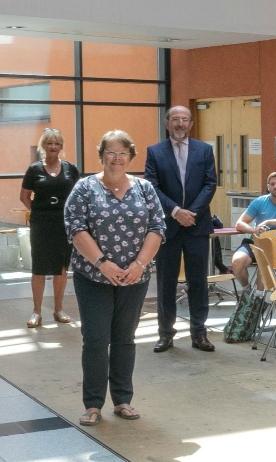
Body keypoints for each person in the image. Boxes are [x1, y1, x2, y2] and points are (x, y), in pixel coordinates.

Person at [64, 130, 165, 426]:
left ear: (131, 157)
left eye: (123, 153)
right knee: (95, 339)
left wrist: (139, 263)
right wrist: (103, 263)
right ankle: (93, 404)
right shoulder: (84, 188)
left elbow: (157, 228)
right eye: (111, 152)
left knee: (124, 338)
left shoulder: (145, 189)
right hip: (93, 277)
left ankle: (122, 400)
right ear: (101, 156)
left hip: (136, 276)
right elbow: (75, 229)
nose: (117, 158)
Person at [145, 106, 217, 353]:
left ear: (191, 123)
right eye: (175, 119)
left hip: (196, 225)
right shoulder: (155, 152)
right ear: (167, 123)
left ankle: (199, 333)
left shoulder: (205, 150)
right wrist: (176, 211)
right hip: (168, 226)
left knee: (198, 281)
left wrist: (192, 213)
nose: (180, 124)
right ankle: (165, 334)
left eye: (184, 120)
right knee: (166, 282)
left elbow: (210, 184)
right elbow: (152, 187)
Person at [20, 128, 80, 328]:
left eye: (57, 143)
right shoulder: (34, 169)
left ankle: (58, 309)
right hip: (42, 225)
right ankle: (36, 312)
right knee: (39, 268)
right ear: (43, 146)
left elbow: (78, 196)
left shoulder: (71, 169)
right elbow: (24, 196)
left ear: (61, 146)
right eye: (49, 143)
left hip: (64, 225)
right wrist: (39, 212)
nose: (53, 147)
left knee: (61, 268)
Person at [231, 172, 276, 288]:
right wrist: (254, 230)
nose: (275, 186)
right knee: (237, 262)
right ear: (268, 186)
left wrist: (269, 222)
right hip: (255, 243)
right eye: (272, 184)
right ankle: (247, 290)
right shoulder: (259, 202)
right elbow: (239, 224)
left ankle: (259, 299)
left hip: (275, 247)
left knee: (261, 284)